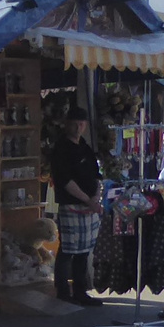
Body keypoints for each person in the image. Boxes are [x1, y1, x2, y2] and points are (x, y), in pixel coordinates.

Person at [50, 106, 105, 307]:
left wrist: (96, 197)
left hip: (90, 206)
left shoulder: (85, 147)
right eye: (74, 123)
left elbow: (97, 175)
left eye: (81, 123)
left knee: (84, 250)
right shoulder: (61, 148)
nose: (78, 127)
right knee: (68, 249)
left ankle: (81, 292)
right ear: (67, 124)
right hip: (72, 204)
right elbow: (65, 180)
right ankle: (63, 292)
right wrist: (86, 199)